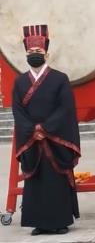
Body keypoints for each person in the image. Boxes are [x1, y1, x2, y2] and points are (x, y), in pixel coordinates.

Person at [12, 25, 81, 236]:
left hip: (55, 136)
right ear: (26, 54)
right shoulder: (20, 81)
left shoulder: (60, 79)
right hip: (31, 138)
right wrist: (32, 130)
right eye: (31, 53)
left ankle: (60, 221)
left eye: (38, 53)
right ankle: (38, 223)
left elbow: (66, 108)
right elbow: (18, 110)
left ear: (47, 54)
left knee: (56, 179)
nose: (34, 56)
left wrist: (45, 128)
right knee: (36, 180)